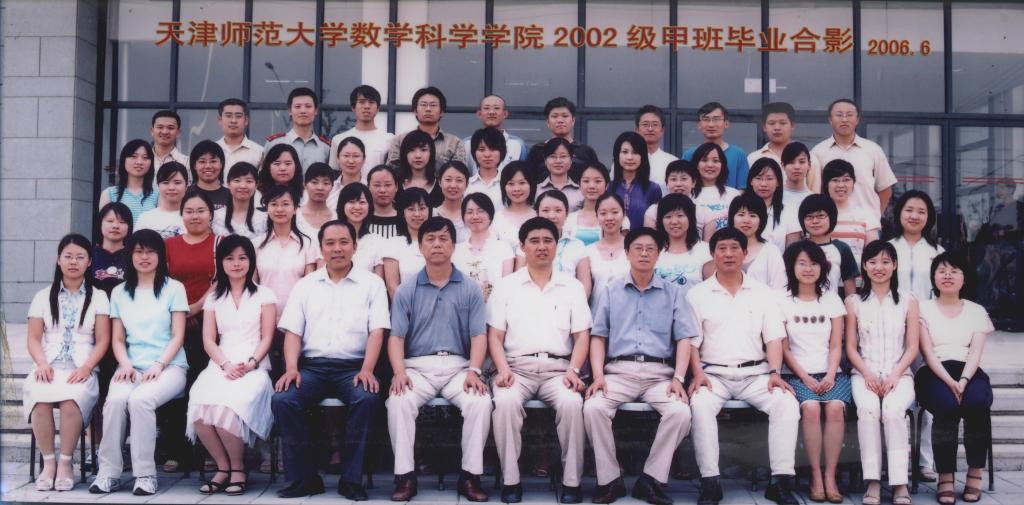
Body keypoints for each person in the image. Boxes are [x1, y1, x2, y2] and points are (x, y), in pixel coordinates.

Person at [270, 220, 388, 499]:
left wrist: (368, 369)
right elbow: (293, 332)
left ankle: (352, 480)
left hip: (354, 367)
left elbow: (377, 331)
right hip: (313, 368)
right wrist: (291, 368)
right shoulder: (306, 285)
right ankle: (304, 478)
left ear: (355, 246)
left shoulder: (372, 284)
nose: (337, 249)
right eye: (330, 243)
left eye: (344, 242)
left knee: (367, 398)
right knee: (284, 399)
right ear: (321, 249)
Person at [686, 228, 801, 505]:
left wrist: (775, 373)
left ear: (745, 253)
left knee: (786, 403)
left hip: (756, 374)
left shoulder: (763, 293)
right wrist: (697, 373)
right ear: (713, 254)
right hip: (713, 374)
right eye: (722, 248)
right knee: (700, 404)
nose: (728, 254)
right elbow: (691, 342)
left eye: (734, 248)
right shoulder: (697, 294)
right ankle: (710, 482)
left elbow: (774, 338)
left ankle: (780, 482)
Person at [584, 227, 696, 505]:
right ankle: (610, 480)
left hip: (660, 376)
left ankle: (651, 479)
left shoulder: (674, 293)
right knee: (594, 407)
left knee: (680, 412)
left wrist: (679, 378)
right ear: (627, 253)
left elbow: (684, 338)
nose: (644, 253)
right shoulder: (610, 290)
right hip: (618, 373)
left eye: (650, 249)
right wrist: (597, 376)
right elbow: (598, 337)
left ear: (659, 254)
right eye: (638, 248)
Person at [386, 216, 493, 502]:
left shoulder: (469, 288)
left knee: (480, 402)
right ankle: (405, 477)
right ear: (420, 247)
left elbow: (478, 335)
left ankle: (470, 476)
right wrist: (399, 372)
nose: (437, 244)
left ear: (453, 246)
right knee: (399, 401)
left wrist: (474, 370)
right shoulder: (407, 289)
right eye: (430, 239)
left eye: (443, 238)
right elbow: (396, 337)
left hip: (459, 367)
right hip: (417, 367)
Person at [488, 216, 592, 504]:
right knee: (505, 402)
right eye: (534, 241)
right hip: (516, 368)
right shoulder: (506, 286)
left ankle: (571, 483)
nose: (541, 246)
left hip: (559, 370)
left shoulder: (572, 287)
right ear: (522, 247)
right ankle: (511, 481)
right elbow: (495, 336)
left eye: (548, 240)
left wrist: (574, 370)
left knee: (572, 404)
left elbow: (582, 335)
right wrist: (502, 369)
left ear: (557, 246)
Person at [91, 230, 189, 496]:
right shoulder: (120, 292)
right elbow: (118, 339)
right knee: (115, 401)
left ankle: (145, 475)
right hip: (132, 367)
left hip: (169, 367)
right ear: (130, 256)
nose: (144, 257)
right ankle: (108, 473)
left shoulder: (174, 288)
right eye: (138, 251)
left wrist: (159, 364)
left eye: (150, 251)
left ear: (160, 255)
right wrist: (125, 365)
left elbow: (178, 335)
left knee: (140, 400)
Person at [187, 235, 276, 496]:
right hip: (221, 362)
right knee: (200, 405)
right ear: (221, 263)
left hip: (254, 365)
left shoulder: (264, 294)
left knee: (227, 407)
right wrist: (225, 365)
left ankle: (238, 468)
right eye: (229, 258)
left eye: (242, 258)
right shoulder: (214, 297)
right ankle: (222, 467)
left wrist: (251, 363)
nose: (236, 263)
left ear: (251, 261)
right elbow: (208, 339)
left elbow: (267, 337)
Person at [25, 234, 111, 492]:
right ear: (58, 260)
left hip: (82, 367)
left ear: (89, 262)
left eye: (80, 257)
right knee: (39, 399)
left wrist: (87, 367)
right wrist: (41, 363)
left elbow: (103, 340)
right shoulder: (42, 296)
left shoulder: (99, 297)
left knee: (71, 401)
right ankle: (48, 463)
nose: (74, 262)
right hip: (49, 366)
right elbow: (33, 338)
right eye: (68, 256)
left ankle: (65, 463)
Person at [915, 252, 995, 505]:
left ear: (964, 277)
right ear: (934, 277)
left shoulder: (976, 311)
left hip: (968, 370)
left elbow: (975, 352)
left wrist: (963, 380)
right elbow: (927, 353)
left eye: (954, 271)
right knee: (947, 405)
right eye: (941, 271)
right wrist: (950, 382)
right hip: (933, 371)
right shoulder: (922, 308)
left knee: (977, 403)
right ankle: (945, 476)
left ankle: (975, 473)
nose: (947, 275)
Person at [845, 240, 919, 505]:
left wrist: (895, 375)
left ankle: (900, 483)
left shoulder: (908, 300)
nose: (879, 267)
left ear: (895, 265)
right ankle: (873, 481)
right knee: (868, 411)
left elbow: (913, 346)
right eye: (873, 262)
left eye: (886, 261)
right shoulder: (853, 302)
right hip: (863, 374)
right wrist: (867, 374)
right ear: (864, 266)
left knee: (893, 411)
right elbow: (850, 348)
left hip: (899, 374)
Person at [779, 240, 850, 504]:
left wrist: (830, 374)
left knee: (834, 409)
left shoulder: (831, 299)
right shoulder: (782, 300)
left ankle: (830, 476)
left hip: (831, 373)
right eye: (802, 263)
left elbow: (836, 344)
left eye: (814, 263)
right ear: (792, 267)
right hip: (795, 374)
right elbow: (784, 347)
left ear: (822, 267)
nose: (808, 269)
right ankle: (815, 475)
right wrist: (805, 377)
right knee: (809, 408)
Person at [160, 188, 218, 472]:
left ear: (211, 214)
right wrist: (183, 310)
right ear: (181, 215)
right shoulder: (168, 245)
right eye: (189, 211)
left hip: (210, 324)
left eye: (201, 211)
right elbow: (162, 281)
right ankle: (176, 449)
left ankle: (208, 450)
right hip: (174, 324)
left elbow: (221, 280)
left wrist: (195, 307)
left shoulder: (219, 243)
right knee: (175, 387)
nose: (195, 216)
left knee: (205, 386)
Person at [890, 190, 945, 482]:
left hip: (926, 330)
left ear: (929, 218)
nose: (914, 216)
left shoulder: (937, 253)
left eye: (921, 211)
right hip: (891, 329)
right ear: (899, 213)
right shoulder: (886, 249)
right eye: (909, 210)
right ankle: (893, 461)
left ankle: (925, 461)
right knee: (893, 396)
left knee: (927, 396)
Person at [811, 99, 897, 217]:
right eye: (839, 115)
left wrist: (875, 217)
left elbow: (885, 189)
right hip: (830, 223)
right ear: (830, 120)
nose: (844, 119)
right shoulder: (818, 152)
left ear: (857, 120)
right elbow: (813, 191)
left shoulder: (873, 150)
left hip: (867, 223)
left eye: (849, 115)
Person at [256, 185, 318, 321]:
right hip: (263, 317)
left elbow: (310, 286)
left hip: (297, 317)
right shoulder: (256, 244)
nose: (279, 209)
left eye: (285, 204)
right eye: (274, 204)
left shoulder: (308, 244)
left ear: (295, 209)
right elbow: (252, 285)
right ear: (267, 208)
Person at [711, 193, 786, 291]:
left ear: (761, 221)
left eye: (753, 215)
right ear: (732, 219)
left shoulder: (771, 251)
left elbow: (780, 289)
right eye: (741, 215)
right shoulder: (720, 250)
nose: (746, 220)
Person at [453, 192, 515, 302]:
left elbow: (507, 287)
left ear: (490, 215)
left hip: (495, 310)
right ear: (463, 217)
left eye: (481, 211)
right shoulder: (455, 250)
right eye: (469, 212)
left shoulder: (504, 248)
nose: (475, 216)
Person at [386, 86, 466, 170]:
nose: (428, 109)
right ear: (415, 111)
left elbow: (459, 172)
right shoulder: (400, 140)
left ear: (441, 112)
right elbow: (391, 170)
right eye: (423, 105)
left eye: (433, 105)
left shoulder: (454, 143)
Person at [527, 190, 592, 293]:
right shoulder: (527, 244)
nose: (552, 216)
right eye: (545, 210)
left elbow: (585, 285)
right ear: (537, 213)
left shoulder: (577, 246)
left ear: (567, 213)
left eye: (558, 210)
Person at [747, 102, 820, 191]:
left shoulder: (808, 159)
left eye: (782, 123)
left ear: (792, 126)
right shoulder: (753, 159)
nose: (777, 128)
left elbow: (814, 193)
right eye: (771, 123)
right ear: (764, 127)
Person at [797, 195, 859, 297]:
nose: (815, 221)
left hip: (832, 305)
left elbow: (851, 294)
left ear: (832, 218)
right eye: (809, 217)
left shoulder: (842, 249)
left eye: (821, 216)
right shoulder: (796, 249)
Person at [525, 97, 599, 182]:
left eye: (565, 116)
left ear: (573, 121)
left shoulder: (586, 152)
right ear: (548, 122)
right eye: (555, 116)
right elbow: (528, 180)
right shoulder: (537, 150)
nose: (560, 120)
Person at [823, 159, 881, 264]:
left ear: (853, 182)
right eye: (835, 180)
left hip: (856, 274)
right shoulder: (817, 216)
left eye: (846, 180)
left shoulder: (867, 216)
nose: (841, 185)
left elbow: (873, 256)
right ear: (826, 184)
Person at [682, 102, 750, 189]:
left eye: (716, 119)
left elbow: (743, 188)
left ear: (726, 124)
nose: (711, 125)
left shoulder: (738, 154)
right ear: (699, 125)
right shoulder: (689, 154)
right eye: (706, 119)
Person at [383, 188, 433, 298]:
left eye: (422, 208)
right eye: (411, 209)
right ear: (402, 213)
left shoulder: (437, 242)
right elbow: (392, 287)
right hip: (406, 306)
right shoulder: (393, 244)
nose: (417, 214)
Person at [265, 87, 331, 171]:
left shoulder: (325, 147)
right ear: (290, 111)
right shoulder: (274, 143)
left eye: (308, 106)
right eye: (298, 106)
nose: (303, 111)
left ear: (316, 111)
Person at [330, 85, 394, 170]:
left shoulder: (390, 139)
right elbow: (334, 172)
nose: (367, 106)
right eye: (362, 102)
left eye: (371, 102)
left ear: (378, 108)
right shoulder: (338, 139)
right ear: (353, 108)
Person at [654, 193, 711, 287]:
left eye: (680, 215)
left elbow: (711, 288)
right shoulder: (653, 250)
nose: (674, 221)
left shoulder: (705, 250)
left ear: (690, 218)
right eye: (668, 216)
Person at [462, 94, 527, 175]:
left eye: (496, 108)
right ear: (479, 114)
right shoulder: (466, 144)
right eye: (486, 108)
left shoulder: (518, 144)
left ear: (505, 114)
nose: (491, 112)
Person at [609, 132, 663, 228]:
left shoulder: (653, 189)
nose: (630, 157)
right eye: (625, 152)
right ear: (617, 155)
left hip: (643, 237)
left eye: (635, 152)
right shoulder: (608, 187)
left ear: (643, 156)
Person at [98, 139, 159, 222]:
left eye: (145, 157)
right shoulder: (109, 194)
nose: (139, 162)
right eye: (134, 156)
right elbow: (104, 226)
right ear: (124, 160)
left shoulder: (158, 194)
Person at [690, 142, 741, 240]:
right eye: (704, 160)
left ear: (722, 165)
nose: (710, 165)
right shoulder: (688, 194)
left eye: (716, 161)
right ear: (697, 165)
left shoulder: (733, 194)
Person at [584, 194, 631, 297]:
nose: (609, 218)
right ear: (597, 216)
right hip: (597, 307)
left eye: (615, 212)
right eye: (603, 213)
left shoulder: (634, 249)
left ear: (624, 215)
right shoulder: (588, 252)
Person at [747, 158, 798, 251]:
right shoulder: (741, 210)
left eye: (769, 179)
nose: (763, 184)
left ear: (778, 182)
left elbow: (793, 252)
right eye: (758, 178)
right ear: (751, 181)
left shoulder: (789, 212)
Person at [335, 182, 386, 274]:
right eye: (351, 202)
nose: (357, 207)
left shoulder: (377, 241)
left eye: (362, 202)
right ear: (342, 205)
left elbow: (379, 279)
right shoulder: (330, 237)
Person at [212, 162, 267, 242]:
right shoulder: (215, 217)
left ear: (256, 185)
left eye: (249, 181)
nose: (243, 186)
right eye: (237, 180)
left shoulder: (264, 218)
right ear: (228, 184)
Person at [492, 161, 538, 250]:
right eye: (511, 183)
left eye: (522, 183)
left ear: (531, 185)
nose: (516, 189)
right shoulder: (497, 218)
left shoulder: (539, 215)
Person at [135, 162, 187, 239]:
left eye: (177, 183)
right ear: (158, 186)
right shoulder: (145, 218)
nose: (171, 188)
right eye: (165, 183)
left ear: (187, 185)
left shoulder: (193, 218)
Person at [566, 162, 613, 246]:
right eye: (586, 181)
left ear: (607, 185)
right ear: (579, 184)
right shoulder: (569, 219)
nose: (591, 186)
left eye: (598, 181)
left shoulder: (617, 218)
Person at [636, 105, 679, 194]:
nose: (650, 129)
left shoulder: (673, 161)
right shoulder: (626, 162)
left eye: (655, 124)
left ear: (662, 130)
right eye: (645, 124)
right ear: (637, 130)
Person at [643, 159, 698, 228]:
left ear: (693, 183)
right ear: (667, 183)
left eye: (684, 179)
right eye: (673, 179)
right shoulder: (653, 211)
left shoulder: (702, 211)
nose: (678, 184)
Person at [92, 203, 133, 296]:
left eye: (122, 222)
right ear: (100, 224)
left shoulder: (133, 256)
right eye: (110, 221)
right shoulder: (89, 255)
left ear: (129, 227)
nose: (115, 226)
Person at [396, 129, 442, 206]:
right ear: (405, 154)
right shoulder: (396, 185)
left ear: (431, 153)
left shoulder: (440, 186)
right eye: (412, 150)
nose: (418, 155)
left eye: (423, 150)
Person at [216, 98, 264, 171]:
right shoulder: (211, 150)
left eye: (238, 116)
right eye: (228, 116)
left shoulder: (259, 152)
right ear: (220, 120)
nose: (233, 121)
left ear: (246, 120)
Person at [466, 127, 508, 211]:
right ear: (474, 152)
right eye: (481, 149)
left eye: (493, 149)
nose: (487, 154)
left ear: (502, 152)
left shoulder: (509, 185)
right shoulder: (466, 185)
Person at [537, 138, 584, 212]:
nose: (558, 161)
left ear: (571, 160)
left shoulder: (582, 191)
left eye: (563, 156)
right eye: (553, 156)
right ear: (545, 161)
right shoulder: (536, 191)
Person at [296, 162, 338, 238]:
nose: (320, 188)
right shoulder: (295, 216)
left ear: (332, 186)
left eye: (326, 183)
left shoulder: (337, 218)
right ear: (305, 185)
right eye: (314, 182)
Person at [436, 161, 471, 242]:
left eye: (459, 180)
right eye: (448, 180)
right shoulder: (432, 214)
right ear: (440, 182)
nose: (453, 185)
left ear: (467, 184)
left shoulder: (473, 216)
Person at [189, 140, 230, 210]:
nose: (208, 166)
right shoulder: (185, 194)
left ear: (221, 164)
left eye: (213, 161)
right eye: (202, 162)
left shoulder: (232, 196)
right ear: (194, 166)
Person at [328, 137, 367, 209]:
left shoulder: (370, 189)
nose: (351, 161)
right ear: (337, 158)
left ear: (364, 159)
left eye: (356, 156)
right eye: (346, 156)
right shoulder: (329, 190)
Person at [366, 164, 402, 239]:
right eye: (377, 185)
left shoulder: (405, 218)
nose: (382, 190)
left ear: (396, 187)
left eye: (388, 185)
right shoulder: (362, 218)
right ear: (368, 187)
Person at [150, 110, 190, 175]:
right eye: (160, 127)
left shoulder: (187, 163)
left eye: (170, 128)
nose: (165, 132)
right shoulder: (142, 161)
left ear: (178, 133)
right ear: (152, 131)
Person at [780, 142, 814, 211]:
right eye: (791, 162)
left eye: (802, 162)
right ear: (783, 165)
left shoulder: (813, 199)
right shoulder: (775, 196)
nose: (797, 167)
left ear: (809, 164)